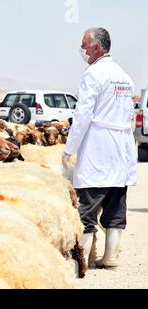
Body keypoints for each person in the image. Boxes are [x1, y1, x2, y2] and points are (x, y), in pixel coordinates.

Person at [62, 27, 137, 269]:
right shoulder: (124, 77)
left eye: (85, 46)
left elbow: (83, 115)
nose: (82, 51)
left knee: (88, 204)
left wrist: (69, 148)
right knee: (116, 201)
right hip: (121, 147)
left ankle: (82, 259)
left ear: (97, 47)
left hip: (98, 146)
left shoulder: (93, 74)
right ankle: (110, 255)